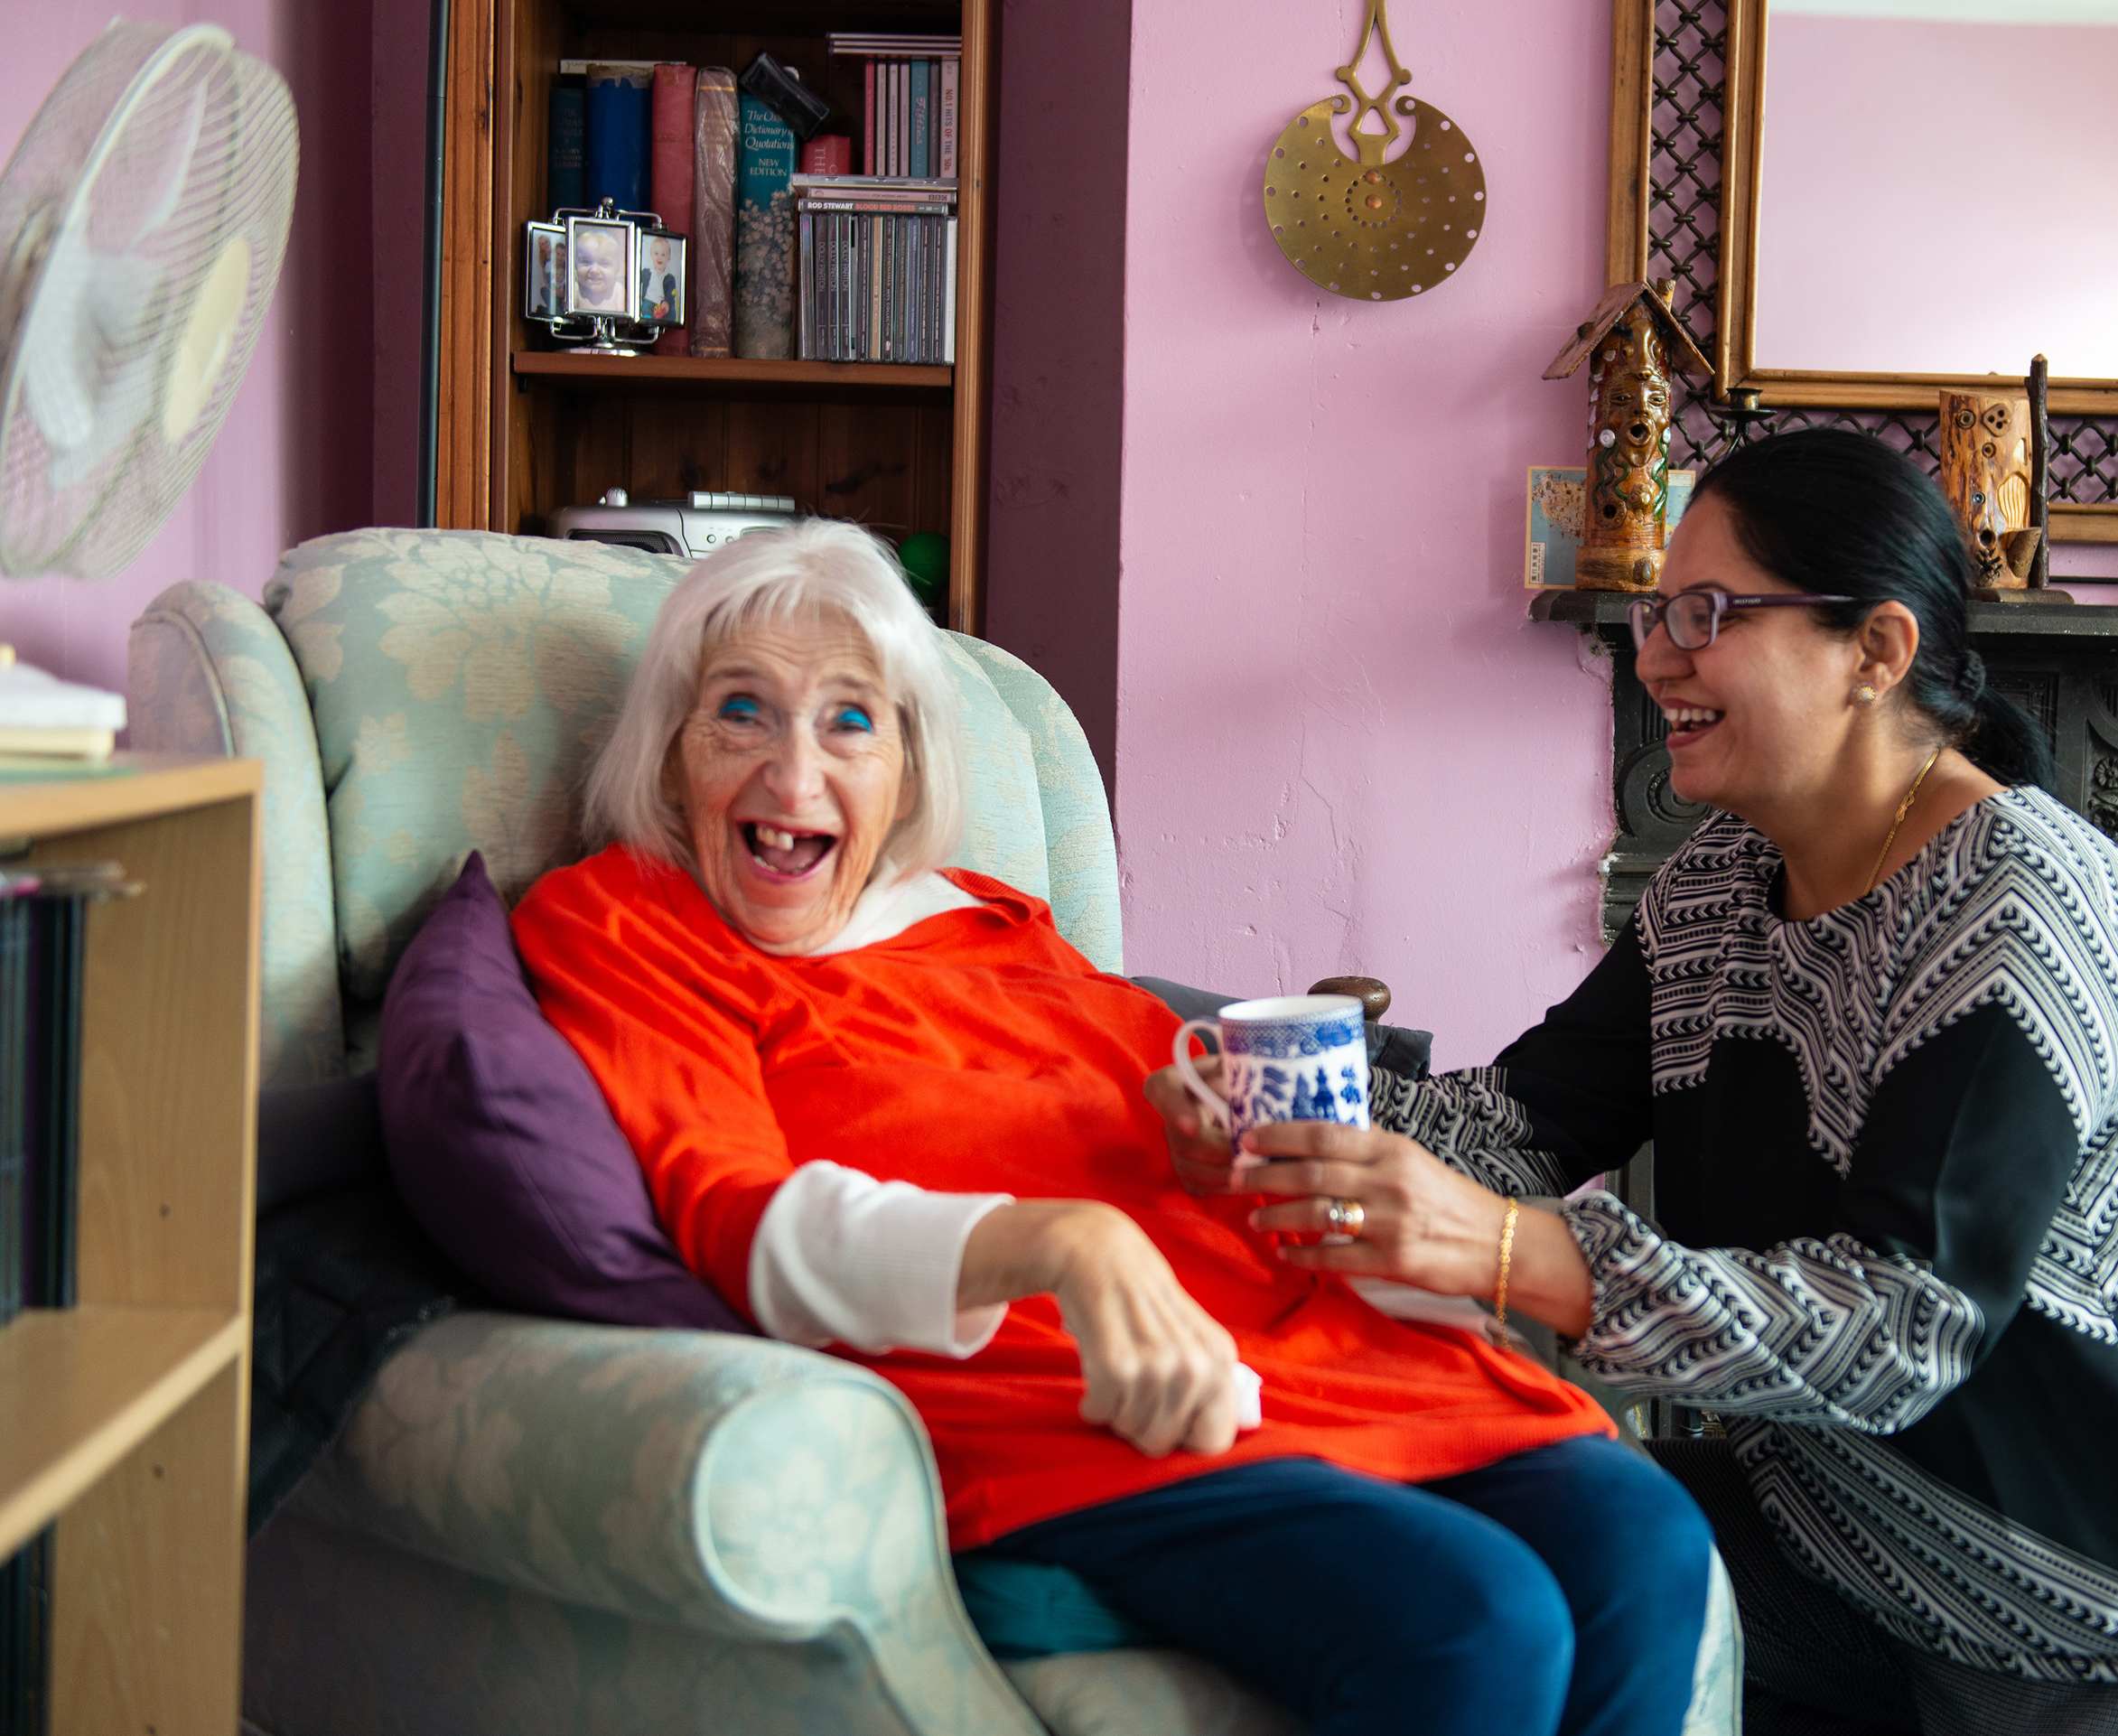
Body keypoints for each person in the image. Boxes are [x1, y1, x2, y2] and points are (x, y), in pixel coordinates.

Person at [1155, 430, 2118, 1735]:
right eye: (1656, 614)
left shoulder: (2020, 905)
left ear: (1876, 650)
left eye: (1708, 613)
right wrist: (1263, 1105)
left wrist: (1510, 1250)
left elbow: (1904, 1328)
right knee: (1473, 1543)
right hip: (1862, 1559)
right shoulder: (1722, 882)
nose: (1656, 656)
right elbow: (1517, 1124)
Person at [510, 519, 1715, 1736]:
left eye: (849, 722)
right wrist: (1060, 1242)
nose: (793, 776)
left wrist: (1215, 1131)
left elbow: (1168, 1101)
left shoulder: (989, 918)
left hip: (1285, 1343)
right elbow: (736, 1215)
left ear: (907, 768)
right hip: (1062, 1396)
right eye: (741, 713)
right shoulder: (630, 922)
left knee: (1646, 1536)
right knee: (1479, 1618)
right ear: (669, 751)